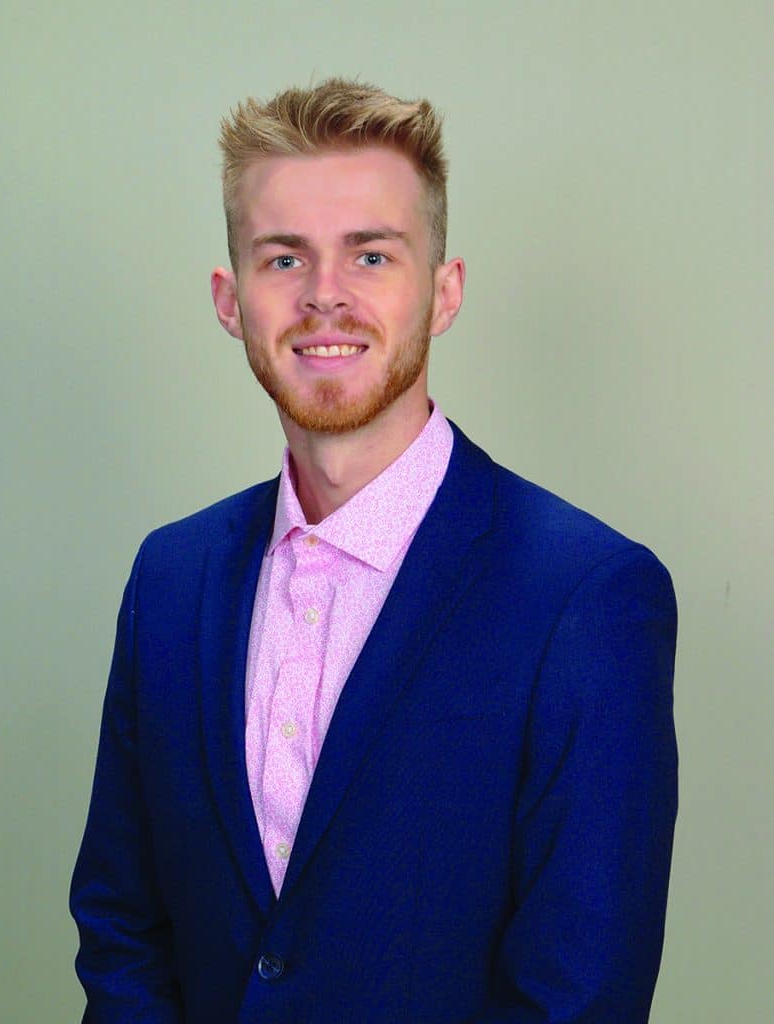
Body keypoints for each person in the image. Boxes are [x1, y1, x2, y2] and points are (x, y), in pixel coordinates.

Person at [70, 78, 678, 1023]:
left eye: (370, 255)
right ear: (230, 300)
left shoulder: (586, 598)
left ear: (443, 291)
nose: (324, 297)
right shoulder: (170, 576)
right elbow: (121, 926)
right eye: (283, 259)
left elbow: (579, 995)